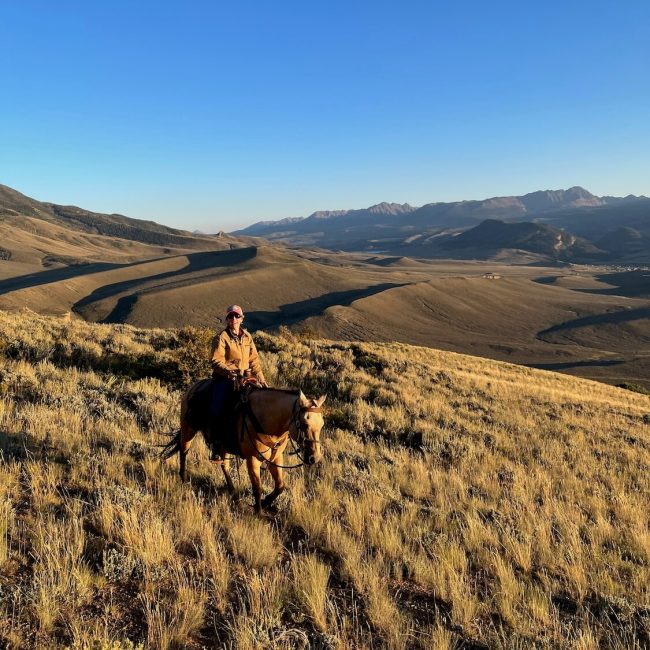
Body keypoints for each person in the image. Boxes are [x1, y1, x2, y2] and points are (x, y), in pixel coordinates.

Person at [208, 304, 268, 461]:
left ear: (242, 318)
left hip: (246, 377)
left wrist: (261, 378)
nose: (233, 319)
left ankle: (259, 443)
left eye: (237, 316)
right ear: (227, 319)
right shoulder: (221, 337)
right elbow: (215, 360)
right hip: (225, 378)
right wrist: (230, 373)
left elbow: (253, 359)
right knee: (217, 408)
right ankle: (217, 445)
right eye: (230, 316)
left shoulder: (247, 337)